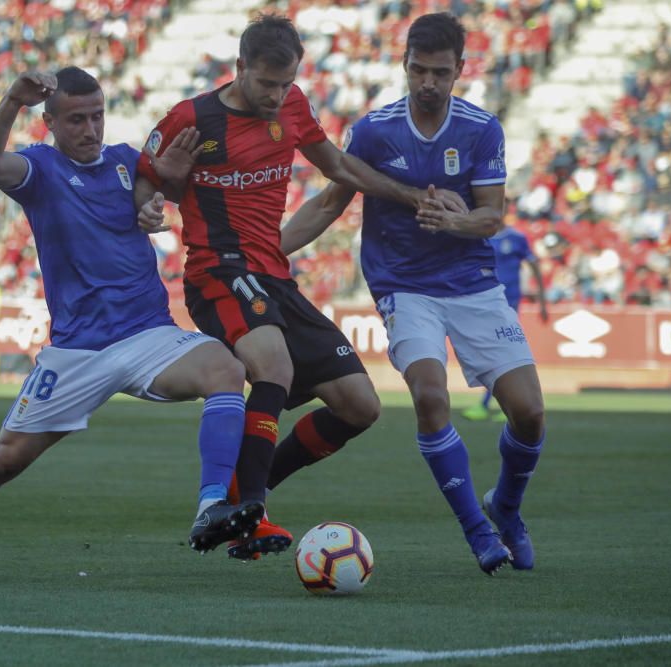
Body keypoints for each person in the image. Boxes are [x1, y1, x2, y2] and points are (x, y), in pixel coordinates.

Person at [0, 67, 263, 577]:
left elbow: (154, 200)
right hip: (76, 352)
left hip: (148, 333)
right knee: (3, 461)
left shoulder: (127, 161)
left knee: (225, 368)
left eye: (98, 115)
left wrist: (155, 203)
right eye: (77, 119)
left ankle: (210, 506)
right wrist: (12, 99)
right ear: (51, 123)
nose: (90, 128)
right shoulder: (39, 169)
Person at [136, 14, 468, 561]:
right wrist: (156, 195)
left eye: (286, 82)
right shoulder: (190, 117)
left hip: (273, 276)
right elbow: (145, 183)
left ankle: (243, 497)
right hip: (218, 271)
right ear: (240, 68)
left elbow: (337, 165)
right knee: (274, 366)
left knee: (359, 406)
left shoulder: (293, 107)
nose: (277, 94)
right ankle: (247, 515)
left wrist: (412, 197)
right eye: (267, 83)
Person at [281, 12, 546, 574]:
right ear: (404, 66)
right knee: (429, 394)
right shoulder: (375, 131)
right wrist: (268, 250)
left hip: (472, 283)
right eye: (419, 70)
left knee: (530, 414)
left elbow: (492, 216)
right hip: (404, 286)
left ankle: (507, 507)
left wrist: (459, 221)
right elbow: (329, 205)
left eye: (440, 73)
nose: (428, 82)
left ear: (460, 72)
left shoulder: (482, 129)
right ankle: (477, 529)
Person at [462, 221, 548, 421]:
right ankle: (499, 403)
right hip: (483, 301)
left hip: (508, 304)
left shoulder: (516, 238)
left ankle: (495, 405)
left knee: (503, 351)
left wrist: (542, 301)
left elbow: (534, 266)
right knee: (489, 352)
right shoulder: (480, 235)